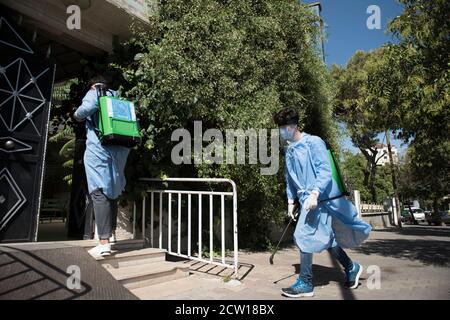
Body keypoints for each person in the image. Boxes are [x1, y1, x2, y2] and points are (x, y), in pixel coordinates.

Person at [274, 107, 372, 298]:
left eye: (283, 127)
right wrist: (290, 201)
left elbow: (325, 171)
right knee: (326, 238)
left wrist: (315, 194)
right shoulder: (289, 150)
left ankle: (306, 282)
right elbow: (289, 177)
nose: (281, 131)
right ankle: (351, 268)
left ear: (293, 126)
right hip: (306, 201)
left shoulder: (314, 142)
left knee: (303, 236)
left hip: (322, 199)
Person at [73, 75, 130, 258]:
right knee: (112, 191)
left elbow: (88, 108)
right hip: (121, 148)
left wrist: (77, 115)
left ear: (93, 85)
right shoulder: (118, 97)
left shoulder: (94, 92)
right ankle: (111, 235)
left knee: (98, 191)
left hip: (100, 149)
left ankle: (103, 243)